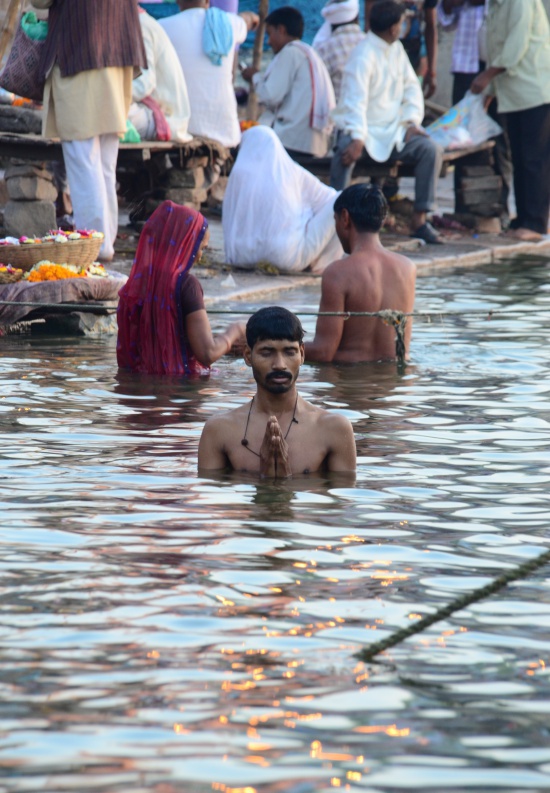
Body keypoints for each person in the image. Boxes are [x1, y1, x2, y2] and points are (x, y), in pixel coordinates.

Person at [31, 0, 147, 262]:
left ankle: (94, 244)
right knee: (103, 163)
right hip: (118, 53)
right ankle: (103, 243)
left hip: (81, 52)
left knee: (84, 160)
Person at [330, 0, 443, 244]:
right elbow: (353, 102)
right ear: (393, 28)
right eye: (402, 23)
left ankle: (420, 220)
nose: (403, 27)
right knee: (344, 153)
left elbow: (412, 90)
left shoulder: (397, 50)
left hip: (393, 132)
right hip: (362, 129)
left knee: (429, 149)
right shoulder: (363, 54)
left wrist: (412, 122)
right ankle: (334, 221)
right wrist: (358, 137)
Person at [198, 307, 357, 476]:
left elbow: (341, 497)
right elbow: (217, 496)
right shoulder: (219, 430)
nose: (280, 364)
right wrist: (265, 482)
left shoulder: (334, 428)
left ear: (302, 354)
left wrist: (282, 485)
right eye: (267, 353)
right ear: (247, 356)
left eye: (290, 352)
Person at [117, 201, 246, 376]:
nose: (199, 257)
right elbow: (208, 353)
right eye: (200, 248)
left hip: (134, 388)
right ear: (184, 245)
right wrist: (235, 331)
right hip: (181, 391)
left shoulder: (134, 285)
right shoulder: (186, 285)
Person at [305, 184, 416, 363]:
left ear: (345, 218)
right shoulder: (408, 268)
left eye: (335, 220)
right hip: (397, 386)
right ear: (382, 219)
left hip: (348, 383)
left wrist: (266, 346)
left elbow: (322, 352)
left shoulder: (337, 273)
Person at [471, 0, 550, 241]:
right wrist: (491, 90)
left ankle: (536, 222)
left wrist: (488, 75)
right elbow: (496, 47)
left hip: (534, 90)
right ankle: (523, 219)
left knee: (534, 160)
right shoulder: (495, 5)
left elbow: (516, 44)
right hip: (512, 94)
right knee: (519, 158)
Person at [222, 126, 344, 273]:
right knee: (343, 199)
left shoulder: (237, 174)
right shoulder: (290, 170)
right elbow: (330, 198)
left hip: (240, 257)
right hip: (287, 259)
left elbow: (228, 220)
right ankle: (321, 266)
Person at [438, 0, 512, 219]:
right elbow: (446, 18)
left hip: (494, 68)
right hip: (465, 67)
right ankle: (463, 208)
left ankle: (501, 208)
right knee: (459, 138)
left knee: (499, 141)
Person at [160, 0, 258, 149]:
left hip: (181, 131)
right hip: (224, 132)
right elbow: (248, 21)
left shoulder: (163, 27)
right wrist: (250, 17)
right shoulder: (229, 23)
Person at [242, 6, 336, 158]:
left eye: (270, 34)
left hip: (293, 141)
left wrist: (254, 77)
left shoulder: (290, 52)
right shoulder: (309, 52)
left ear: (281, 30)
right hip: (314, 142)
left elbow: (270, 95)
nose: (268, 41)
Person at [128, 6, 192, 143]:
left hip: (163, 117)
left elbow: (145, 84)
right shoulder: (134, 22)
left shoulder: (139, 25)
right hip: (149, 111)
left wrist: (112, 96)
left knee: (102, 113)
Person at [365, 0, 437, 98]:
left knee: (412, 98)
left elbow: (431, 25)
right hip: (382, 59)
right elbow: (369, 23)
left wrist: (431, 71)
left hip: (413, 58)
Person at [313, 0, 367, 104]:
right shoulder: (370, 43)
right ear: (357, 18)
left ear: (331, 23)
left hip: (339, 116)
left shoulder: (324, 50)